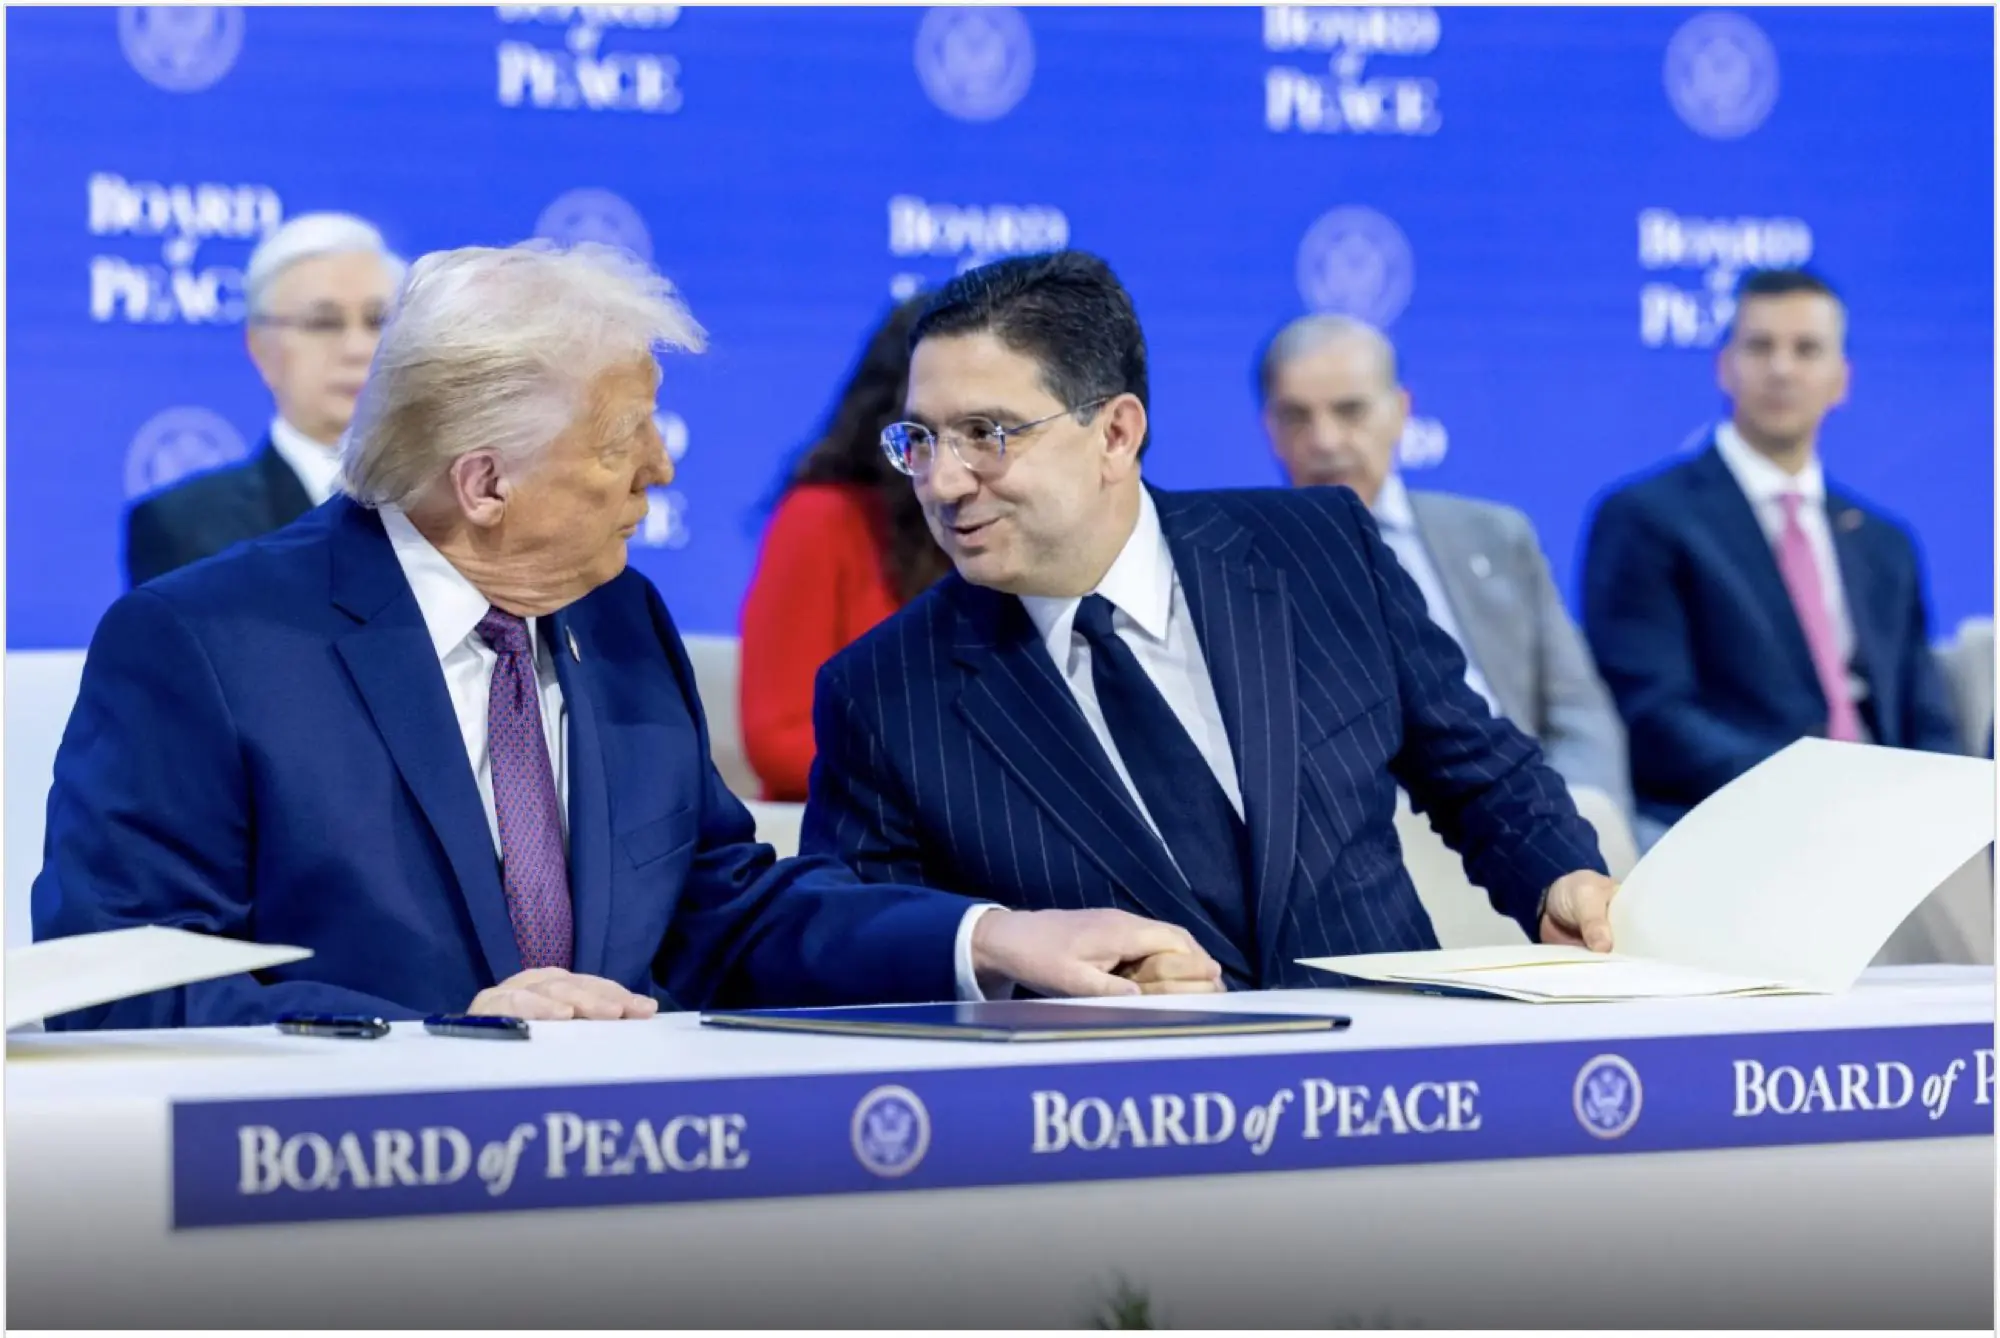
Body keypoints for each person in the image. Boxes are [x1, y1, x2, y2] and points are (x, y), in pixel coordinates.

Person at [32, 241, 1220, 1030]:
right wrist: (437, 1037)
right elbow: (119, 983)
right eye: (623, 439)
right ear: (484, 482)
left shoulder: (617, 619)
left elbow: (728, 915)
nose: (661, 467)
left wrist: (994, 939)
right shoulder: (204, 647)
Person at [800, 251, 1617, 992]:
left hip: (1396, 1072)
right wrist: (1032, 983)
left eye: (986, 435)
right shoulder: (882, 693)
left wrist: (1558, 878)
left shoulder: (1318, 549)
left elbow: (1480, 772)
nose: (942, 482)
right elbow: (860, 957)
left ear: (1115, 433)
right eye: (921, 439)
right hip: (1121, 1098)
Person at [1582, 268, 1960, 843]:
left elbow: (1927, 717)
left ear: (1841, 380)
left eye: (1806, 349)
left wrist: (1934, 808)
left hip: (1887, 831)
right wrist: (1806, 790)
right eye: (1760, 347)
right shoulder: (1646, 518)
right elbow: (1654, 715)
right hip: (1731, 822)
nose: (1782, 368)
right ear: (1724, 366)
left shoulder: (1884, 542)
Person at [1257, 313, 1630, 814]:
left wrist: (1574, 814)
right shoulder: (1242, 567)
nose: (1324, 439)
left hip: (1525, 816)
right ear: (1270, 428)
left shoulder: (1496, 536)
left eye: (1350, 411)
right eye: (1296, 417)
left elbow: (1578, 714)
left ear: (1400, 411)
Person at [739, 295, 950, 800]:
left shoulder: (1004, 531)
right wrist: (945, 783)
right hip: (845, 835)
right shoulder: (824, 518)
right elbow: (777, 739)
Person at [123, 212, 404, 587]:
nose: (358, 348)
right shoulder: (187, 524)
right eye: (323, 322)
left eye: (378, 321)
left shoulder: (455, 507)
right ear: (259, 347)